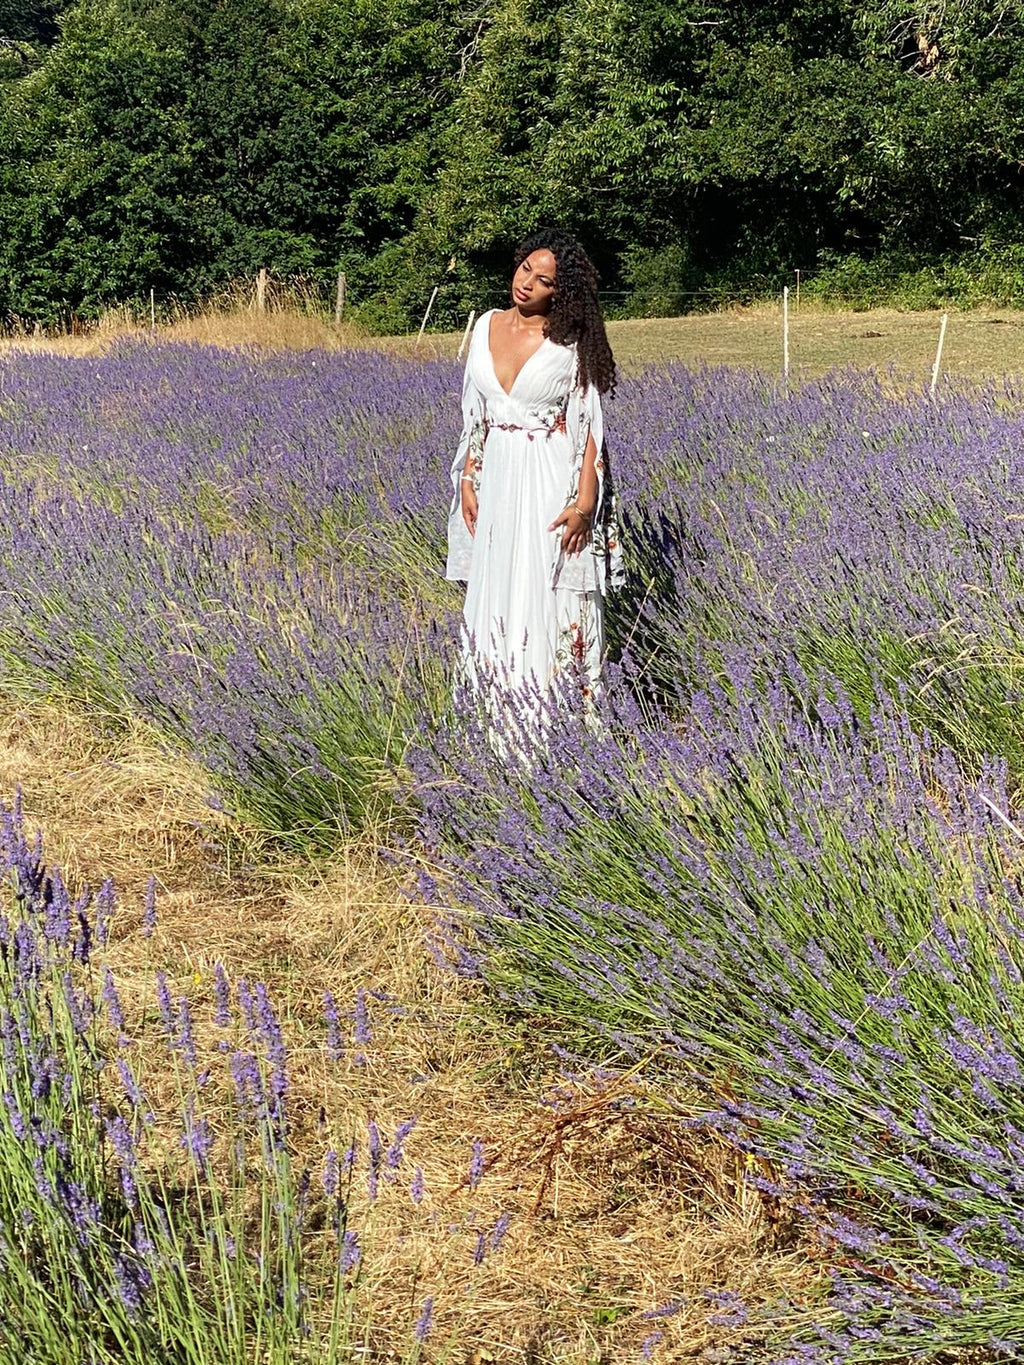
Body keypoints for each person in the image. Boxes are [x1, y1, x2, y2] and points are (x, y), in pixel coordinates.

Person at [445, 229, 622, 712]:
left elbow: (588, 429)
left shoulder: (569, 341)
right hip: (497, 479)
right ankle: (495, 719)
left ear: (558, 292)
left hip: (548, 480)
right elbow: (474, 416)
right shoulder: (485, 326)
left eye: (543, 280)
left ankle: (555, 722)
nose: (527, 283)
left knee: (549, 596)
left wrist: (584, 506)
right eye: (525, 268)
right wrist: (467, 478)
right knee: (497, 592)